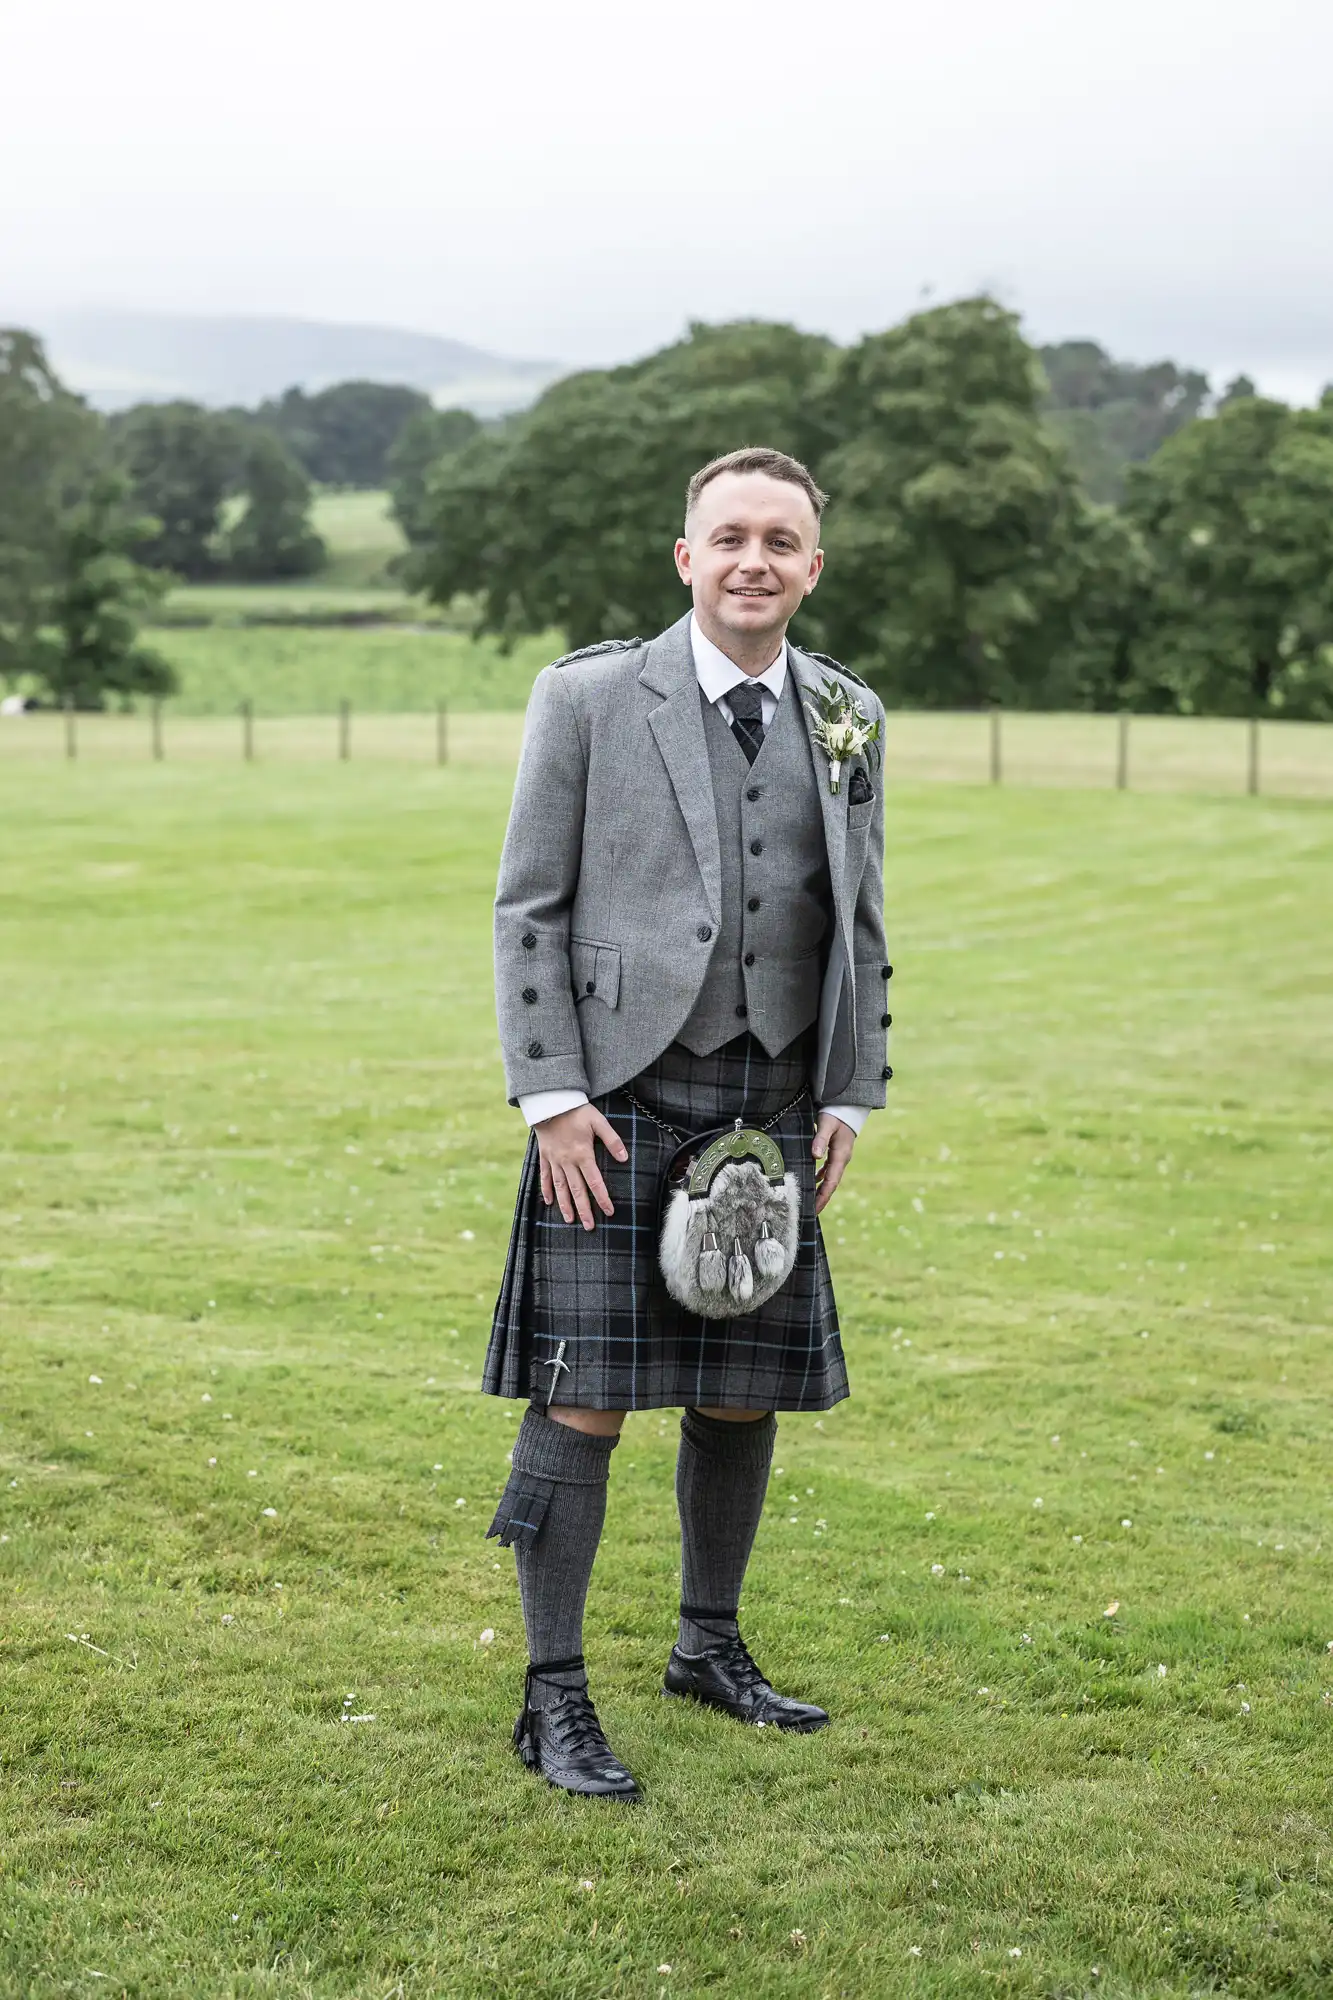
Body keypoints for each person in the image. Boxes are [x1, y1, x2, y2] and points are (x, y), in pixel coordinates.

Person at [482, 446, 891, 1800]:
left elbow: (860, 918)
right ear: (687, 557)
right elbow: (528, 905)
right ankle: (553, 1697)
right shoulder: (592, 695)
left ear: (812, 568)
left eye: (782, 541)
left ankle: (706, 1648)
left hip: (772, 1101)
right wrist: (550, 1097)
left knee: (740, 1386)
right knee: (582, 1392)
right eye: (730, 539)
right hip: (615, 1102)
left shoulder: (848, 713)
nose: (754, 561)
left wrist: (846, 1088)